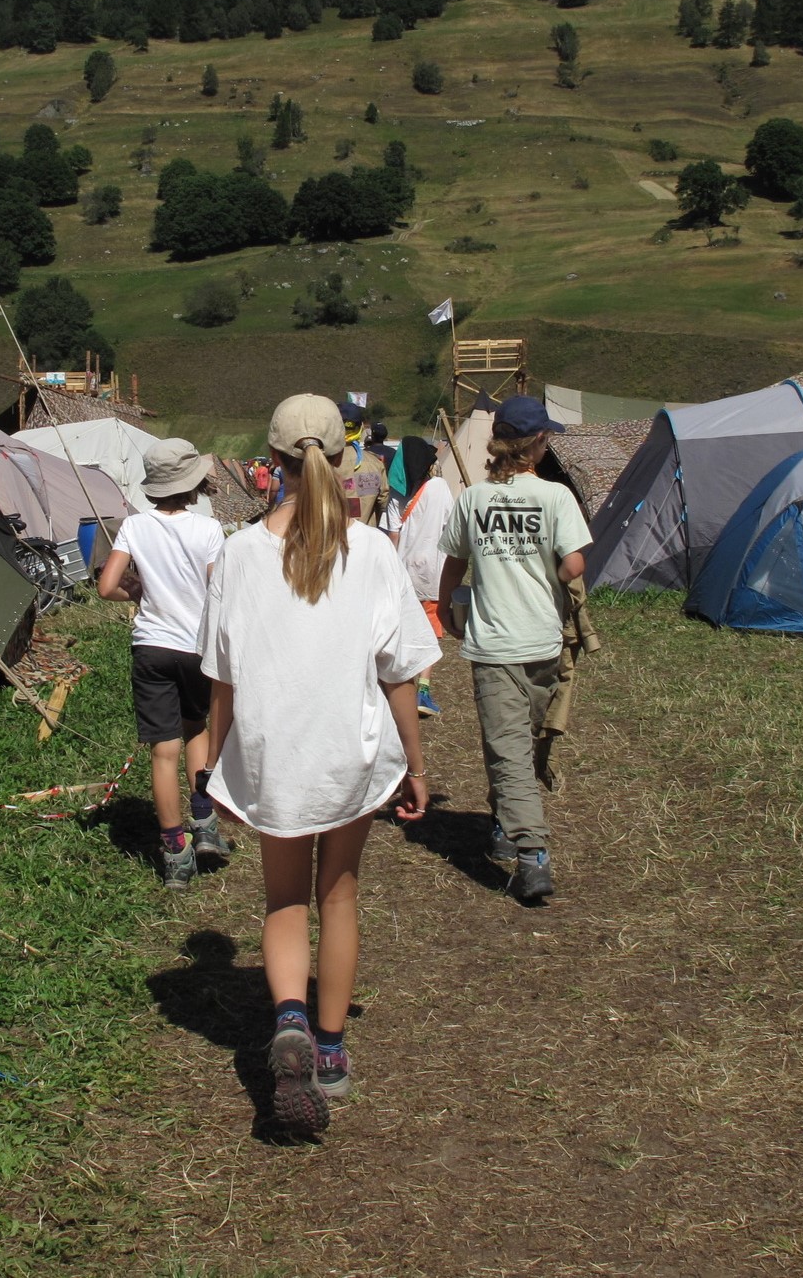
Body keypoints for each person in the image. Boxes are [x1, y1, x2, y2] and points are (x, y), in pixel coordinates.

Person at [200, 393, 438, 1135]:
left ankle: (290, 1018)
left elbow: (222, 679)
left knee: (283, 901)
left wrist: (213, 769)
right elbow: (400, 673)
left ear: (271, 461)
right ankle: (329, 1051)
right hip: (350, 753)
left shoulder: (238, 554)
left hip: (274, 755)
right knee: (339, 895)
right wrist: (417, 764)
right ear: (341, 458)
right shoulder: (372, 551)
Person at [438, 394, 591, 903]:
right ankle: (519, 837)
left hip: (494, 642)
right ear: (539, 443)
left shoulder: (474, 499)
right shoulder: (555, 497)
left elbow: (454, 561)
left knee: (509, 747)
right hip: (542, 641)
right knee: (513, 742)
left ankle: (526, 844)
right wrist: (550, 568)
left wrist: (447, 605)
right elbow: (574, 565)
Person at [96, 438, 230, 890]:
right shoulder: (208, 530)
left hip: (151, 648)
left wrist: (134, 591)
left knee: (162, 752)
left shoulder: (134, 527)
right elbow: (218, 592)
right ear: (192, 484)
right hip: (196, 649)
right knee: (197, 729)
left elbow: (106, 586)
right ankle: (205, 823)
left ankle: (175, 853)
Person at [382, 435, 453, 717]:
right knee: (430, 630)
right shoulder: (440, 487)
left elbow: (393, 537)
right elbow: (450, 525)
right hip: (434, 570)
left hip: (403, 571)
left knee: (403, 628)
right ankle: (423, 690)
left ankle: (400, 685)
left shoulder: (396, 495)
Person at [337, 401, 389, 526]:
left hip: (332, 535)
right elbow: (384, 503)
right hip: (367, 535)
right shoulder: (375, 463)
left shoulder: (321, 464)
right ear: (361, 428)